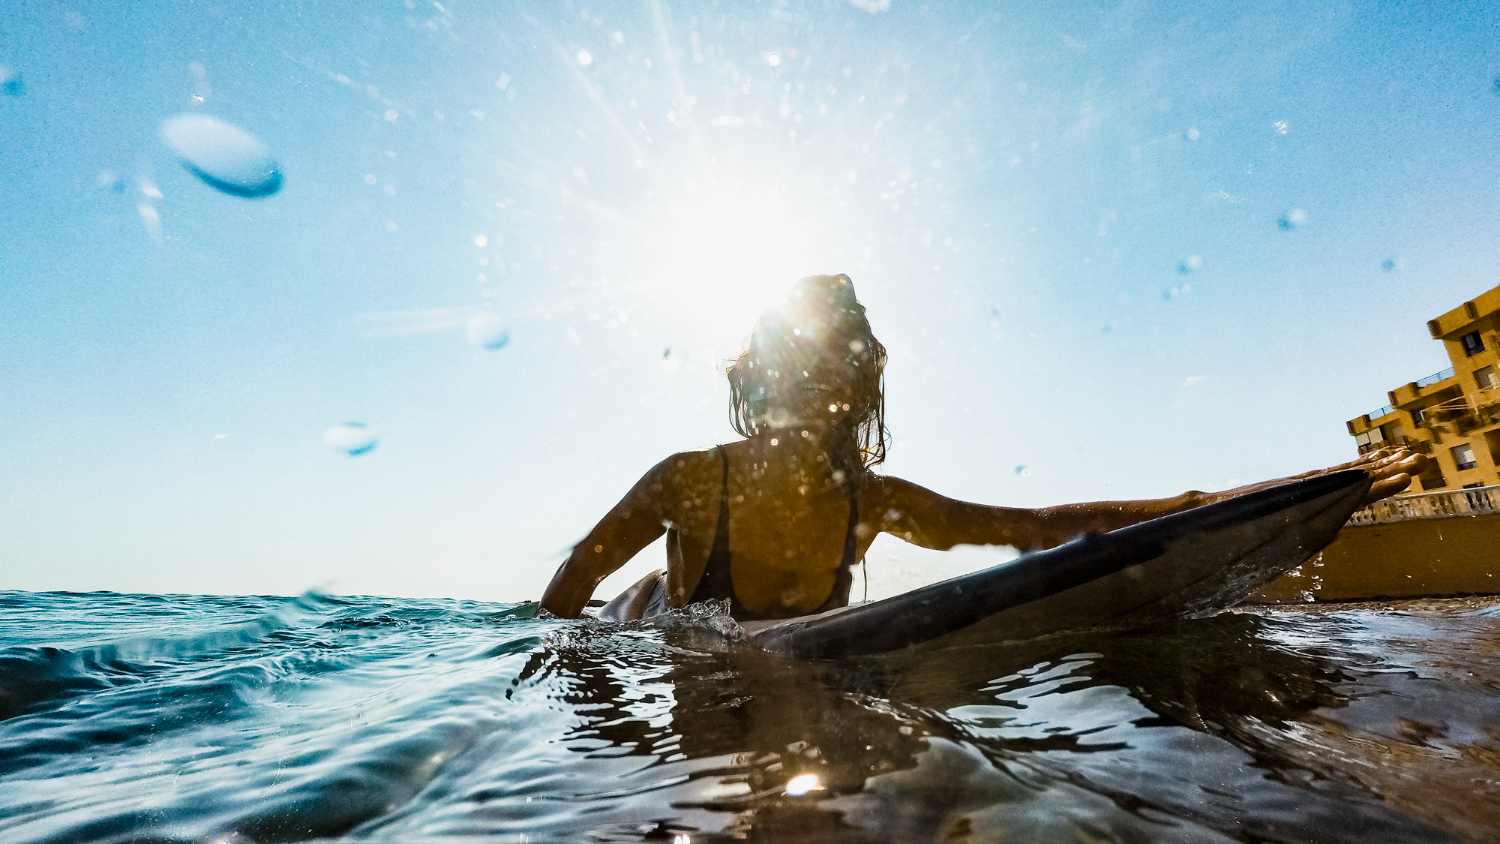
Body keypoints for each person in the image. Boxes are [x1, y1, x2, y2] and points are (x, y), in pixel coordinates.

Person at [540, 274, 1426, 621]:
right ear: (761, 380)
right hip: (649, 619)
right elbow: (567, 596)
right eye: (792, 366)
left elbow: (1035, 525)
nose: (814, 385)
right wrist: (609, 715)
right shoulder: (690, 481)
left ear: (856, 387)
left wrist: (1216, 503)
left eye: (831, 368)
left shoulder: (876, 502)